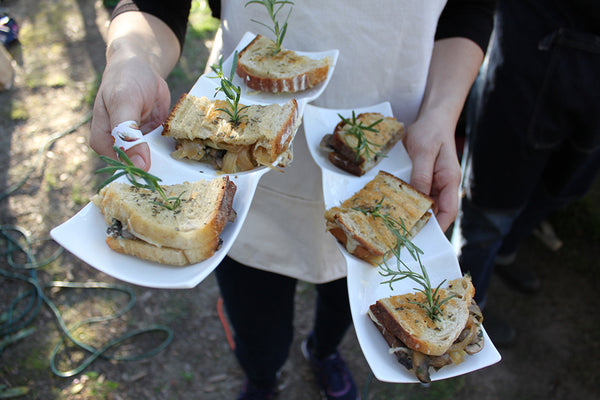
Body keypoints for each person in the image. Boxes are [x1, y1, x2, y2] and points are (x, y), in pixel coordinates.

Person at [90, 1, 495, 398]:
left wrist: (441, 113)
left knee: (346, 303)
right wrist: (130, 57)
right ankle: (262, 379)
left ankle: (323, 352)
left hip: (389, 156)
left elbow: (469, 10)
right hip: (236, 150)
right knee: (256, 324)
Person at [451, 0, 600, 345]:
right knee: (489, 208)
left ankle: (502, 255)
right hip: (534, 48)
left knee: (560, 189)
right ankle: (462, 315)